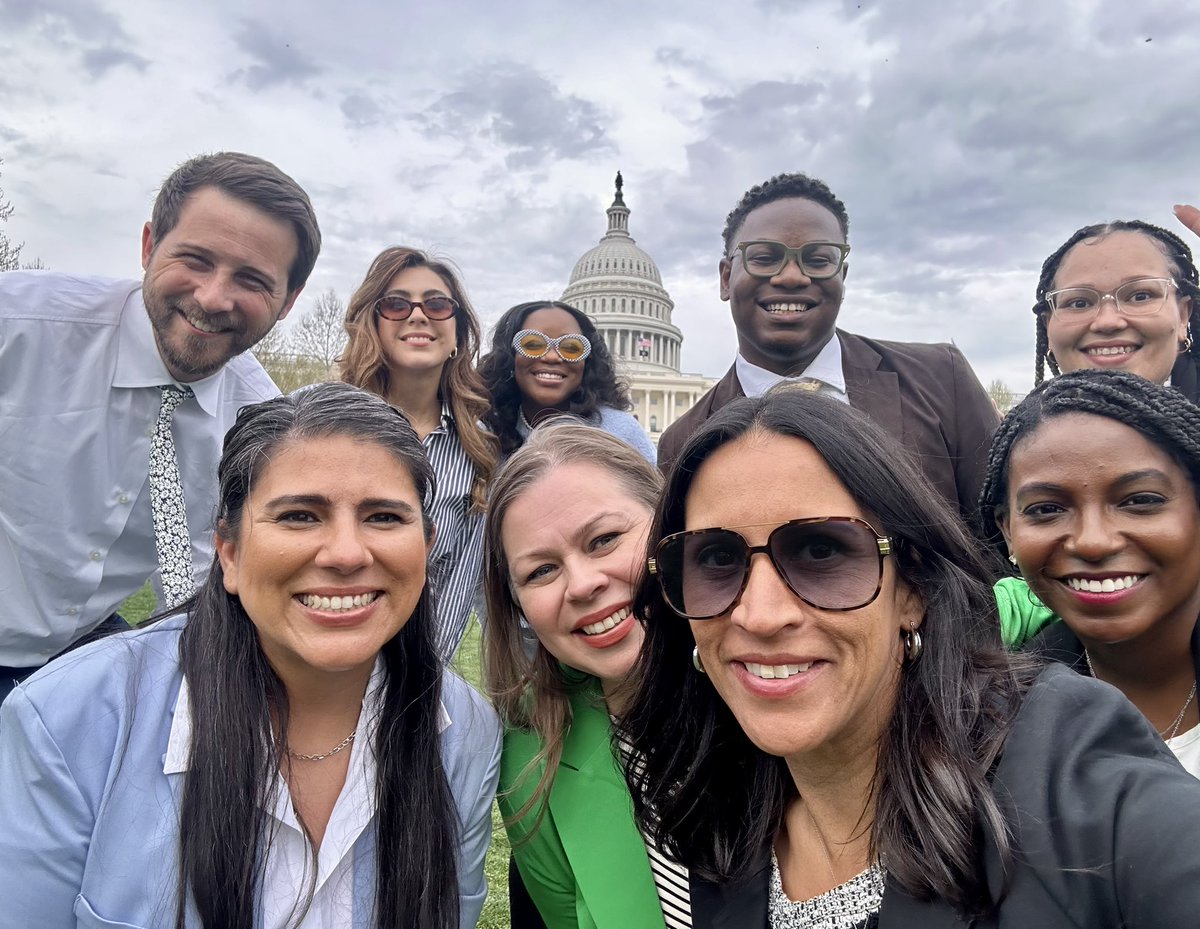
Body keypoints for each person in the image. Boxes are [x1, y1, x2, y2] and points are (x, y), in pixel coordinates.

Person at [621, 386, 1200, 927]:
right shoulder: (718, 815)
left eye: (821, 550)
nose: (761, 615)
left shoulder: (1067, 769)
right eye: (717, 560)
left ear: (914, 590)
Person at [0, 383, 501, 929]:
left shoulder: (465, 733)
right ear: (230, 553)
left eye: (383, 516)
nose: (346, 554)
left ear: (426, 547)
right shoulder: (67, 718)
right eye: (299, 516)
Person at [0, 151, 321, 700]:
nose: (213, 298)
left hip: (79, 651)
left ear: (288, 302)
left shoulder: (260, 423)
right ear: (149, 246)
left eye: (251, 279)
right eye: (195, 259)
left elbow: (205, 572)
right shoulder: (17, 328)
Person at [656, 172, 998, 521]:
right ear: (726, 278)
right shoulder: (681, 442)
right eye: (764, 257)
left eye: (818, 260)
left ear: (842, 278)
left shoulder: (940, 379)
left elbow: (1005, 534)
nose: (791, 277)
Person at [482, 422, 687, 928]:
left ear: (668, 526)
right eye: (541, 571)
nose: (583, 584)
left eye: (604, 540)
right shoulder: (532, 762)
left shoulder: (777, 694)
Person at [979, 370, 1200, 775]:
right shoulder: (981, 732)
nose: (1093, 542)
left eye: (1140, 500)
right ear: (1008, 532)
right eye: (1046, 509)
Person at [341, 246, 499, 659]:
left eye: (437, 304)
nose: (418, 315)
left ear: (457, 332)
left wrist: (419, 680)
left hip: (412, 668)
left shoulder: (478, 449)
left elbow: (458, 587)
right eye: (395, 304)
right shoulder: (315, 420)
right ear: (372, 324)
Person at [1030, 217, 1199, 399]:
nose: (1107, 321)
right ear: (1048, 326)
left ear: (1183, 316)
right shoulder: (1021, 426)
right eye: (1079, 303)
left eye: (1140, 296)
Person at [478, 300, 656, 463]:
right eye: (532, 344)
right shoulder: (483, 433)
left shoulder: (621, 433)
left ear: (588, 362)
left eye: (571, 347)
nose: (552, 357)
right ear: (510, 356)